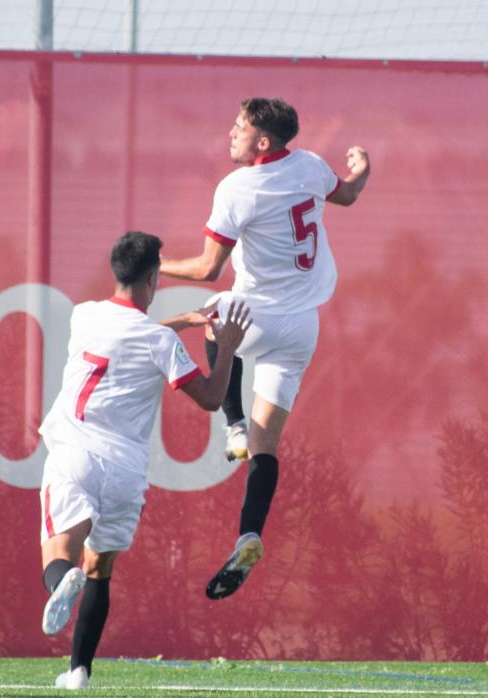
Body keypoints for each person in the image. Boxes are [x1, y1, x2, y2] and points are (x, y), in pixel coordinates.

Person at [158, 97, 370, 600]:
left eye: (240, 128)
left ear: (263, 142)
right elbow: (349, 195)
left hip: (251, 316)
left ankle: (230, 423)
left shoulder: (237, 188)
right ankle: (249, 534)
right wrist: (363, 170)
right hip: (301, 329)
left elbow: (209, 269)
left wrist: (157, 265)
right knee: (266, 447)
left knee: (213, 323)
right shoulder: (313, 167)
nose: (231, 133)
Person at [40, 231, 250, 690]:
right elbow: (213, 399)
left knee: (60, 556)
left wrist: (180, 322)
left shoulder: (84, 316)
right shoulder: (158, 342)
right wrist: (227, 344)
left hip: (74, 454)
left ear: (116, 271)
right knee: (101, 569)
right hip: (125, 471)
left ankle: (61, 579)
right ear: (154, 278)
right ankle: (78, 672)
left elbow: (128, 336)